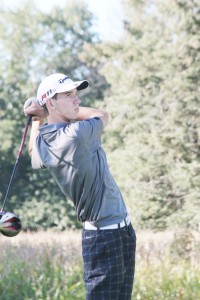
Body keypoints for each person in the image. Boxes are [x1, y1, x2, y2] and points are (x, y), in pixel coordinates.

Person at [24, 73, 136, 300]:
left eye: (76, 94)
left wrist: (38, 119)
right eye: (68, 95)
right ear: (51, 102)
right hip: (105, 237)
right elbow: (101, 114)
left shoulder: (44, 140)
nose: (77, 100)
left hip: (120, 230)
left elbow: (32, 153)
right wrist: (44, 112)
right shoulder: (77, 134)